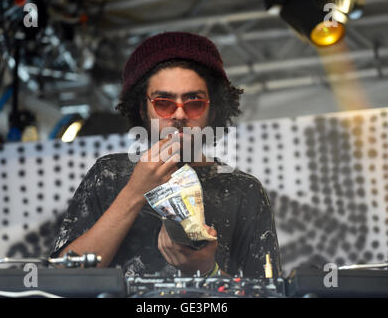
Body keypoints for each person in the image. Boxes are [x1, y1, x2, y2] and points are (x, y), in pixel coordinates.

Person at [51, 31, 281, 278]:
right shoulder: (108, 173)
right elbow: (64, 277)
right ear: (142, 109)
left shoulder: (244, 190)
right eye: (163, 102)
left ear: (213, 111)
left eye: (194, 102)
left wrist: (207, 271)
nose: (180, 115)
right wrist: (135, 191)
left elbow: (270, 294)